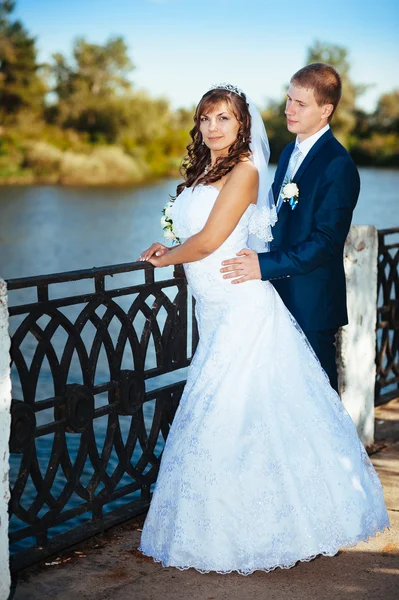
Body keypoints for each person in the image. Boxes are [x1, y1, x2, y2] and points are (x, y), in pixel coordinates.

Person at [136, 82, 389, 575]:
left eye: (224, 118)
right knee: (243, 406)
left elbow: (211, 240)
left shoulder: (252, 168)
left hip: (241, 298)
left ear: (242, 124)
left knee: (235, 407)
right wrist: (167, 240)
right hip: (213, 303)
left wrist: (170, 256)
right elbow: (204, 228)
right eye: (206, 118)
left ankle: (265, 521)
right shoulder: (210, 168)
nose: (213, 127)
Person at [220, 63, 360, 393]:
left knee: (318, 403)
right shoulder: (287, 153)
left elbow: (325, 242)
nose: (288, 110)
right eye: (288, 99)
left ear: (326, 110)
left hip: (311, 305)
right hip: (274, 299)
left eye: (301, 104)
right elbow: (270, 213)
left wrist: (263, 266)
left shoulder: (338, 165)